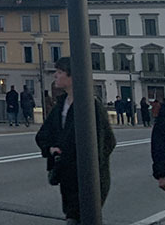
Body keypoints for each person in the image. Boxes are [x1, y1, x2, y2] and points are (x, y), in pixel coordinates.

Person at [36, 57, 116, 225]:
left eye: (59, 73)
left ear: (72, 77)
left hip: (88, 179)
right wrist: (51, 149)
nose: (55, 76)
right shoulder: (60, 105)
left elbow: (107, 141)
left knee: (79, 217)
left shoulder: (91, 106)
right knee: (73, 216)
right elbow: (43, 135)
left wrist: (90, 167)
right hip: (67, 177)